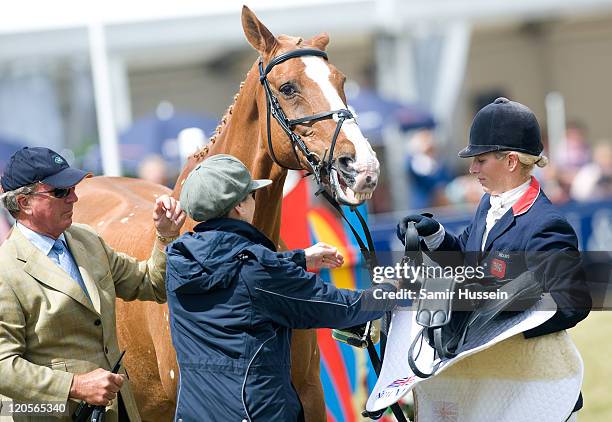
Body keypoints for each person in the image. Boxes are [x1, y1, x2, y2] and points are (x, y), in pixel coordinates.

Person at [397, 98, 592, 419]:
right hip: (492, 384)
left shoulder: (545, 223)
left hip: (534, 386)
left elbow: (574, 301)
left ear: (511, 161)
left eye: (481, 160)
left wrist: (501, 310)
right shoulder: (489, 205)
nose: (472, 169)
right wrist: (435, 237)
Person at [165, 154, 398, 422]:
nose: (255, 201)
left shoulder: (177, 260)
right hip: (255, 414)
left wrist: (297, 259)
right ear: (239, 206)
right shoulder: (258, 269)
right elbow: (341, 307)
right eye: (251, 196)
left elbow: (231, 275)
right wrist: (391, 291)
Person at [0, 147, 185, 422]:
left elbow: (152, 284)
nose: (74, 198)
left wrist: (166, 236)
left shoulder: (87, 239)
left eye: (72, 188)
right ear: (25, 202)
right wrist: (75, 386)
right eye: (60, 192)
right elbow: (3, 366)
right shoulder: (6, 270)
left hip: (116, 410)